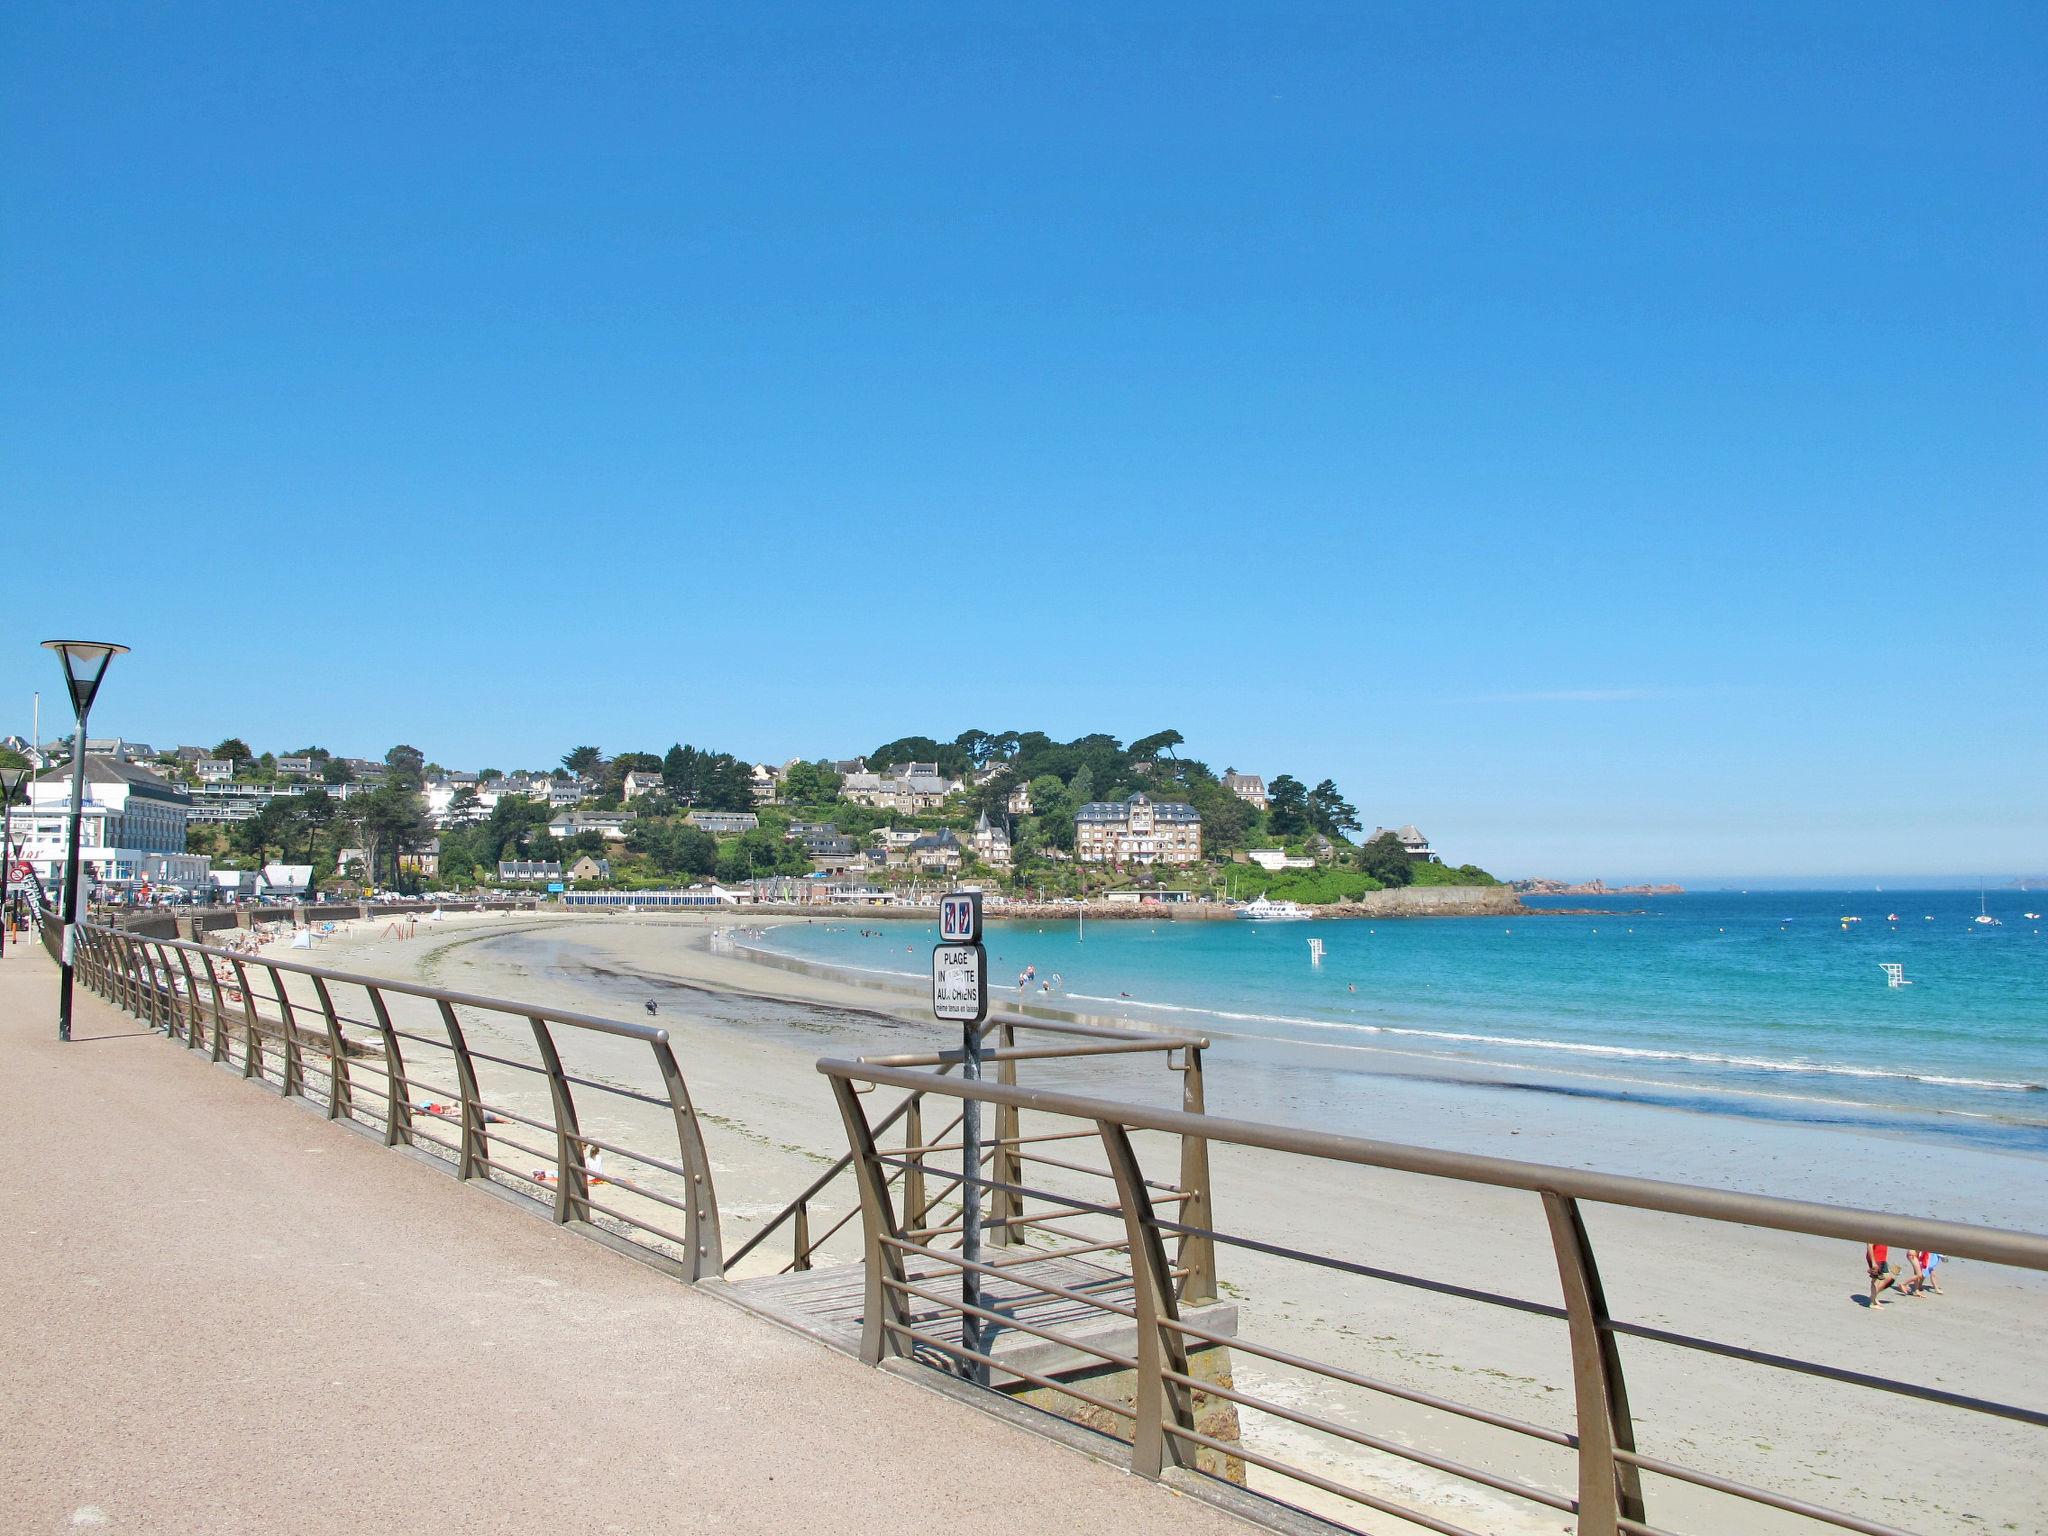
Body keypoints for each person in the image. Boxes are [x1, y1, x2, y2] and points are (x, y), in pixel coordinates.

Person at [1866, 1242, 1899, 1307]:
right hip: (1876, 1259)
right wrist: (1873, 1262)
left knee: (1890, 1279)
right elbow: (1869, 1246)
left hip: (1882, 1259)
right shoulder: (1873, 1232)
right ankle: (1872, 1303)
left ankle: (1873, 1297)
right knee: (1875, 1281)